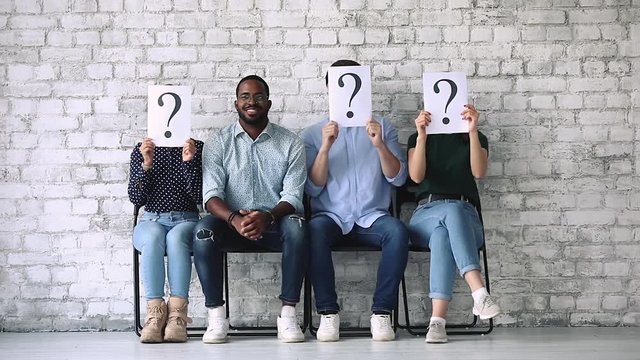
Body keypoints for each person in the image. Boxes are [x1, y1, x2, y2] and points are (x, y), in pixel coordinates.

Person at [193, 75, 308, 344]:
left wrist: (266, 217)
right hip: (231, 222)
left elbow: (293, 194)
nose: (251, 102)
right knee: (201, 233)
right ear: (236, 103)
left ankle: (288, 316)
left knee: (299, 227)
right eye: (245, 96)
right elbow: (210, 195)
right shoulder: (218, 142)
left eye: (258, 97)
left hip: (275, 220)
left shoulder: (291, 143)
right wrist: (234, 219)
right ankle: (216, 317)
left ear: (268, 103)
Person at [300, 60, 409, 342]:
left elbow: (398, 179)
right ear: (329, 91)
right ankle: (327, 313)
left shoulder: (383, 126)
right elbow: (312, 189)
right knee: (312, 231)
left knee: (398, 231)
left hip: (373, 216)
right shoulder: (313, 133)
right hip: (332, 217)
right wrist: (325, 147)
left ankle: (382, 313)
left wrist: (379, 144)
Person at [406, 105, 501, 344]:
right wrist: (421, 137)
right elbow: (416, 177)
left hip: (466, 217)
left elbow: (479, 172)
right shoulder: (416, 138)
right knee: (448, 213)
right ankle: (479, 291)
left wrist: (472, 131)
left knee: (442, 234)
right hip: (425, 213)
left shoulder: (477, 137)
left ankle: (437, 322)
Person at [128, 137, 203, 343]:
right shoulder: (141, 149)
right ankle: (155, 314)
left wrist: (189, 162)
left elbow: (200, 197)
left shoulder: (197, 148)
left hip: (186, 218)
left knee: (176, 238)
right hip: (152, 218)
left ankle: (177, 315)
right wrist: (147, 164)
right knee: (153, 237)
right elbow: (136, 198)